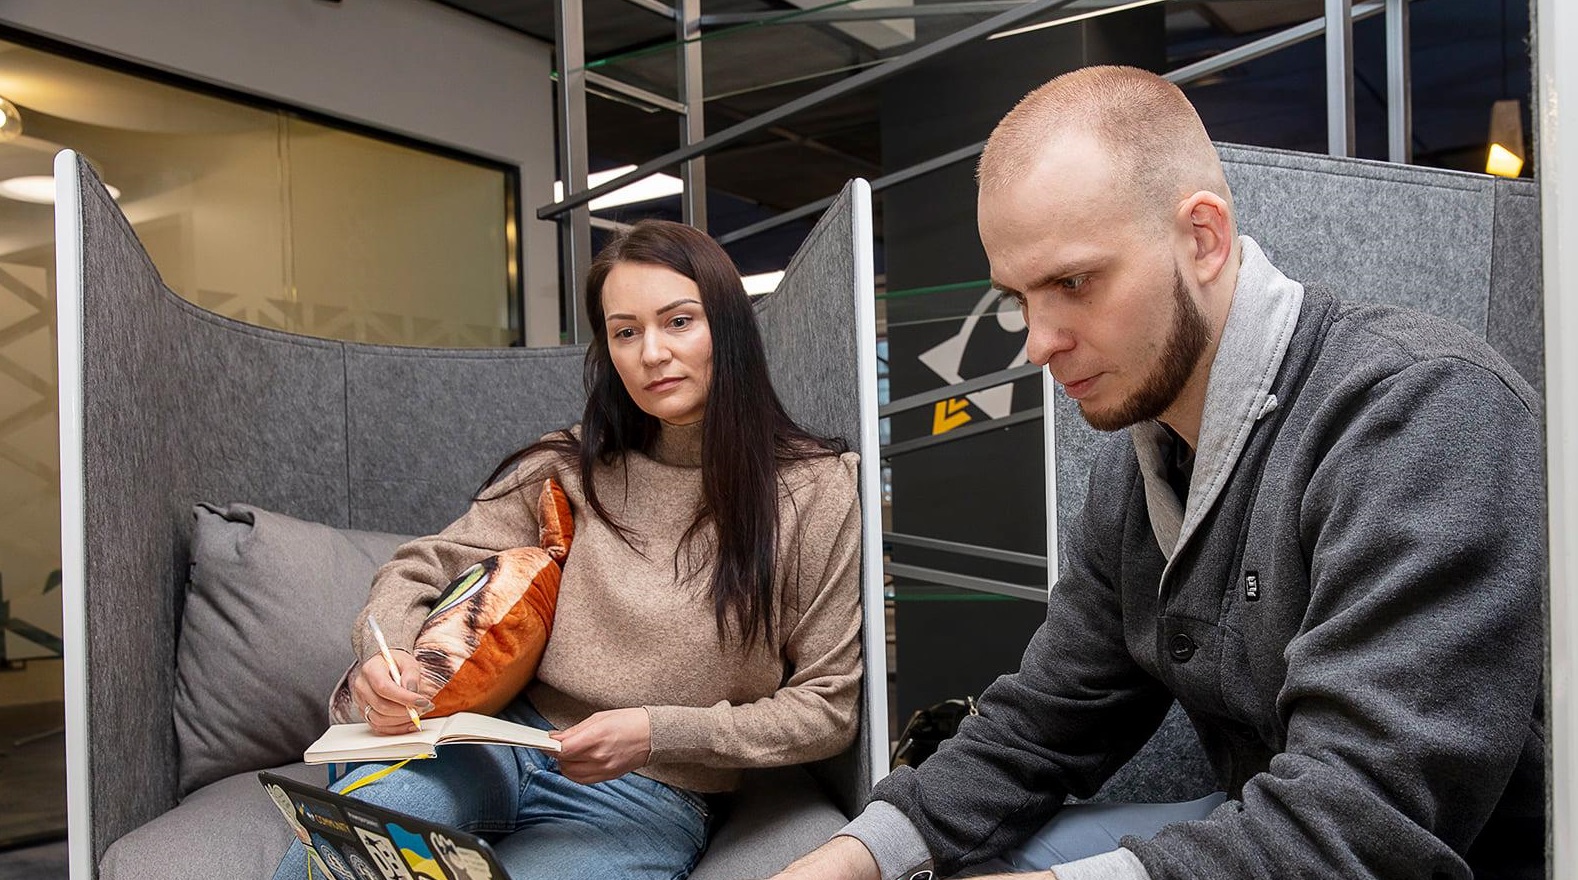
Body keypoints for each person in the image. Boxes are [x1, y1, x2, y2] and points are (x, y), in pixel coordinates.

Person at [772, 65, 1545, 880]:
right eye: (1019, 297)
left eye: (1073, 283)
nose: (1038, 342)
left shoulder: (1419, 413)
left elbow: (1367, 818)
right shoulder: (1137, 471)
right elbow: (1045, 723)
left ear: (1203, 238)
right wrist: (854, 855)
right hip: (1264, 822)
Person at [273, 220, 865, 880]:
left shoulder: (816, 492)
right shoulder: (567, 466)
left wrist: (656, 732)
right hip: (497, 744)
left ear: (727, 326)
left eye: (678, 321)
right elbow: (424, 563)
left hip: (651, 793)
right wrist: (396, 656)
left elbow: (827, 708)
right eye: (626, 332)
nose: (652, 354)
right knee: (326, 859)